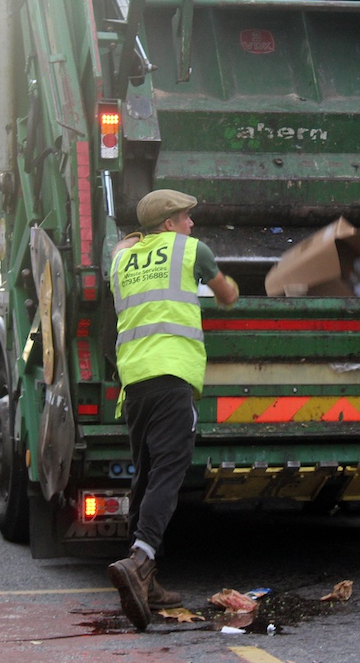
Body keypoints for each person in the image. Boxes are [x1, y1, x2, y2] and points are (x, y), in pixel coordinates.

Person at [106, 189, 239, 631]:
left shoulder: (121, 260)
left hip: (135, 383)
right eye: (185, 217)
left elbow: (125, 244)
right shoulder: (191, 251)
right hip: (173, 377)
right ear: (169, 225)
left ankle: (148, 578)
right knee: (169, 469)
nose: (191, 224)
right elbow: (227, 295)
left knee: (145, 473)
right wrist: (230, 286)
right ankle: (141, 561)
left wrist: (134, 239)